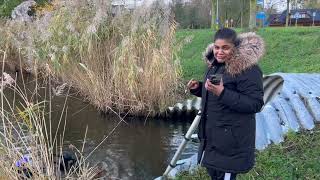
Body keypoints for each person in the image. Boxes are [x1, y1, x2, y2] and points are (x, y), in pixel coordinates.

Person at [187, 28, 265, 180]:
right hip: (214, 141)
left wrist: (222, 93)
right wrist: (199, 88)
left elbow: (255, 104)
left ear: (234, 48)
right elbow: (216, 92)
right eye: (217, 47)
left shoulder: (248, 69)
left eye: (225, 48)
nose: (219, 52)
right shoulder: (215, 65)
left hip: (231, 145)